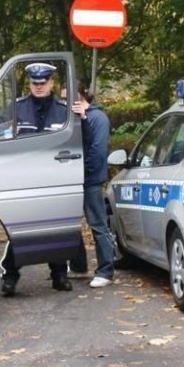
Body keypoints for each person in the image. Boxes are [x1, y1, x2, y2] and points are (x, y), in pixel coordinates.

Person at [0, 62, 73, 296]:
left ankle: (60, 275)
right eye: (34, 83)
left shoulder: (64, 111)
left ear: (52, 83)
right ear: (29, 84)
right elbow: (1, 139)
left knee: (57, 227)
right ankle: (10, 276)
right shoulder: (17, 109)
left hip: (55, 178)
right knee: (21, 229)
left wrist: (86, 114)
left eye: (43, 83)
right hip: (24, 179)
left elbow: (77, 141)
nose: (39, 87)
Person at [71, 81, 114, 288]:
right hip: (73, 179)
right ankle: (79, 266)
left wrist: (84, 171)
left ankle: (106, 270)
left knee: (97, 224)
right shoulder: (71, 119)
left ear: (81, 96)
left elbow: (97, 151)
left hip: (91, 180)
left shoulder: (97, 118)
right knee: (71, 223)